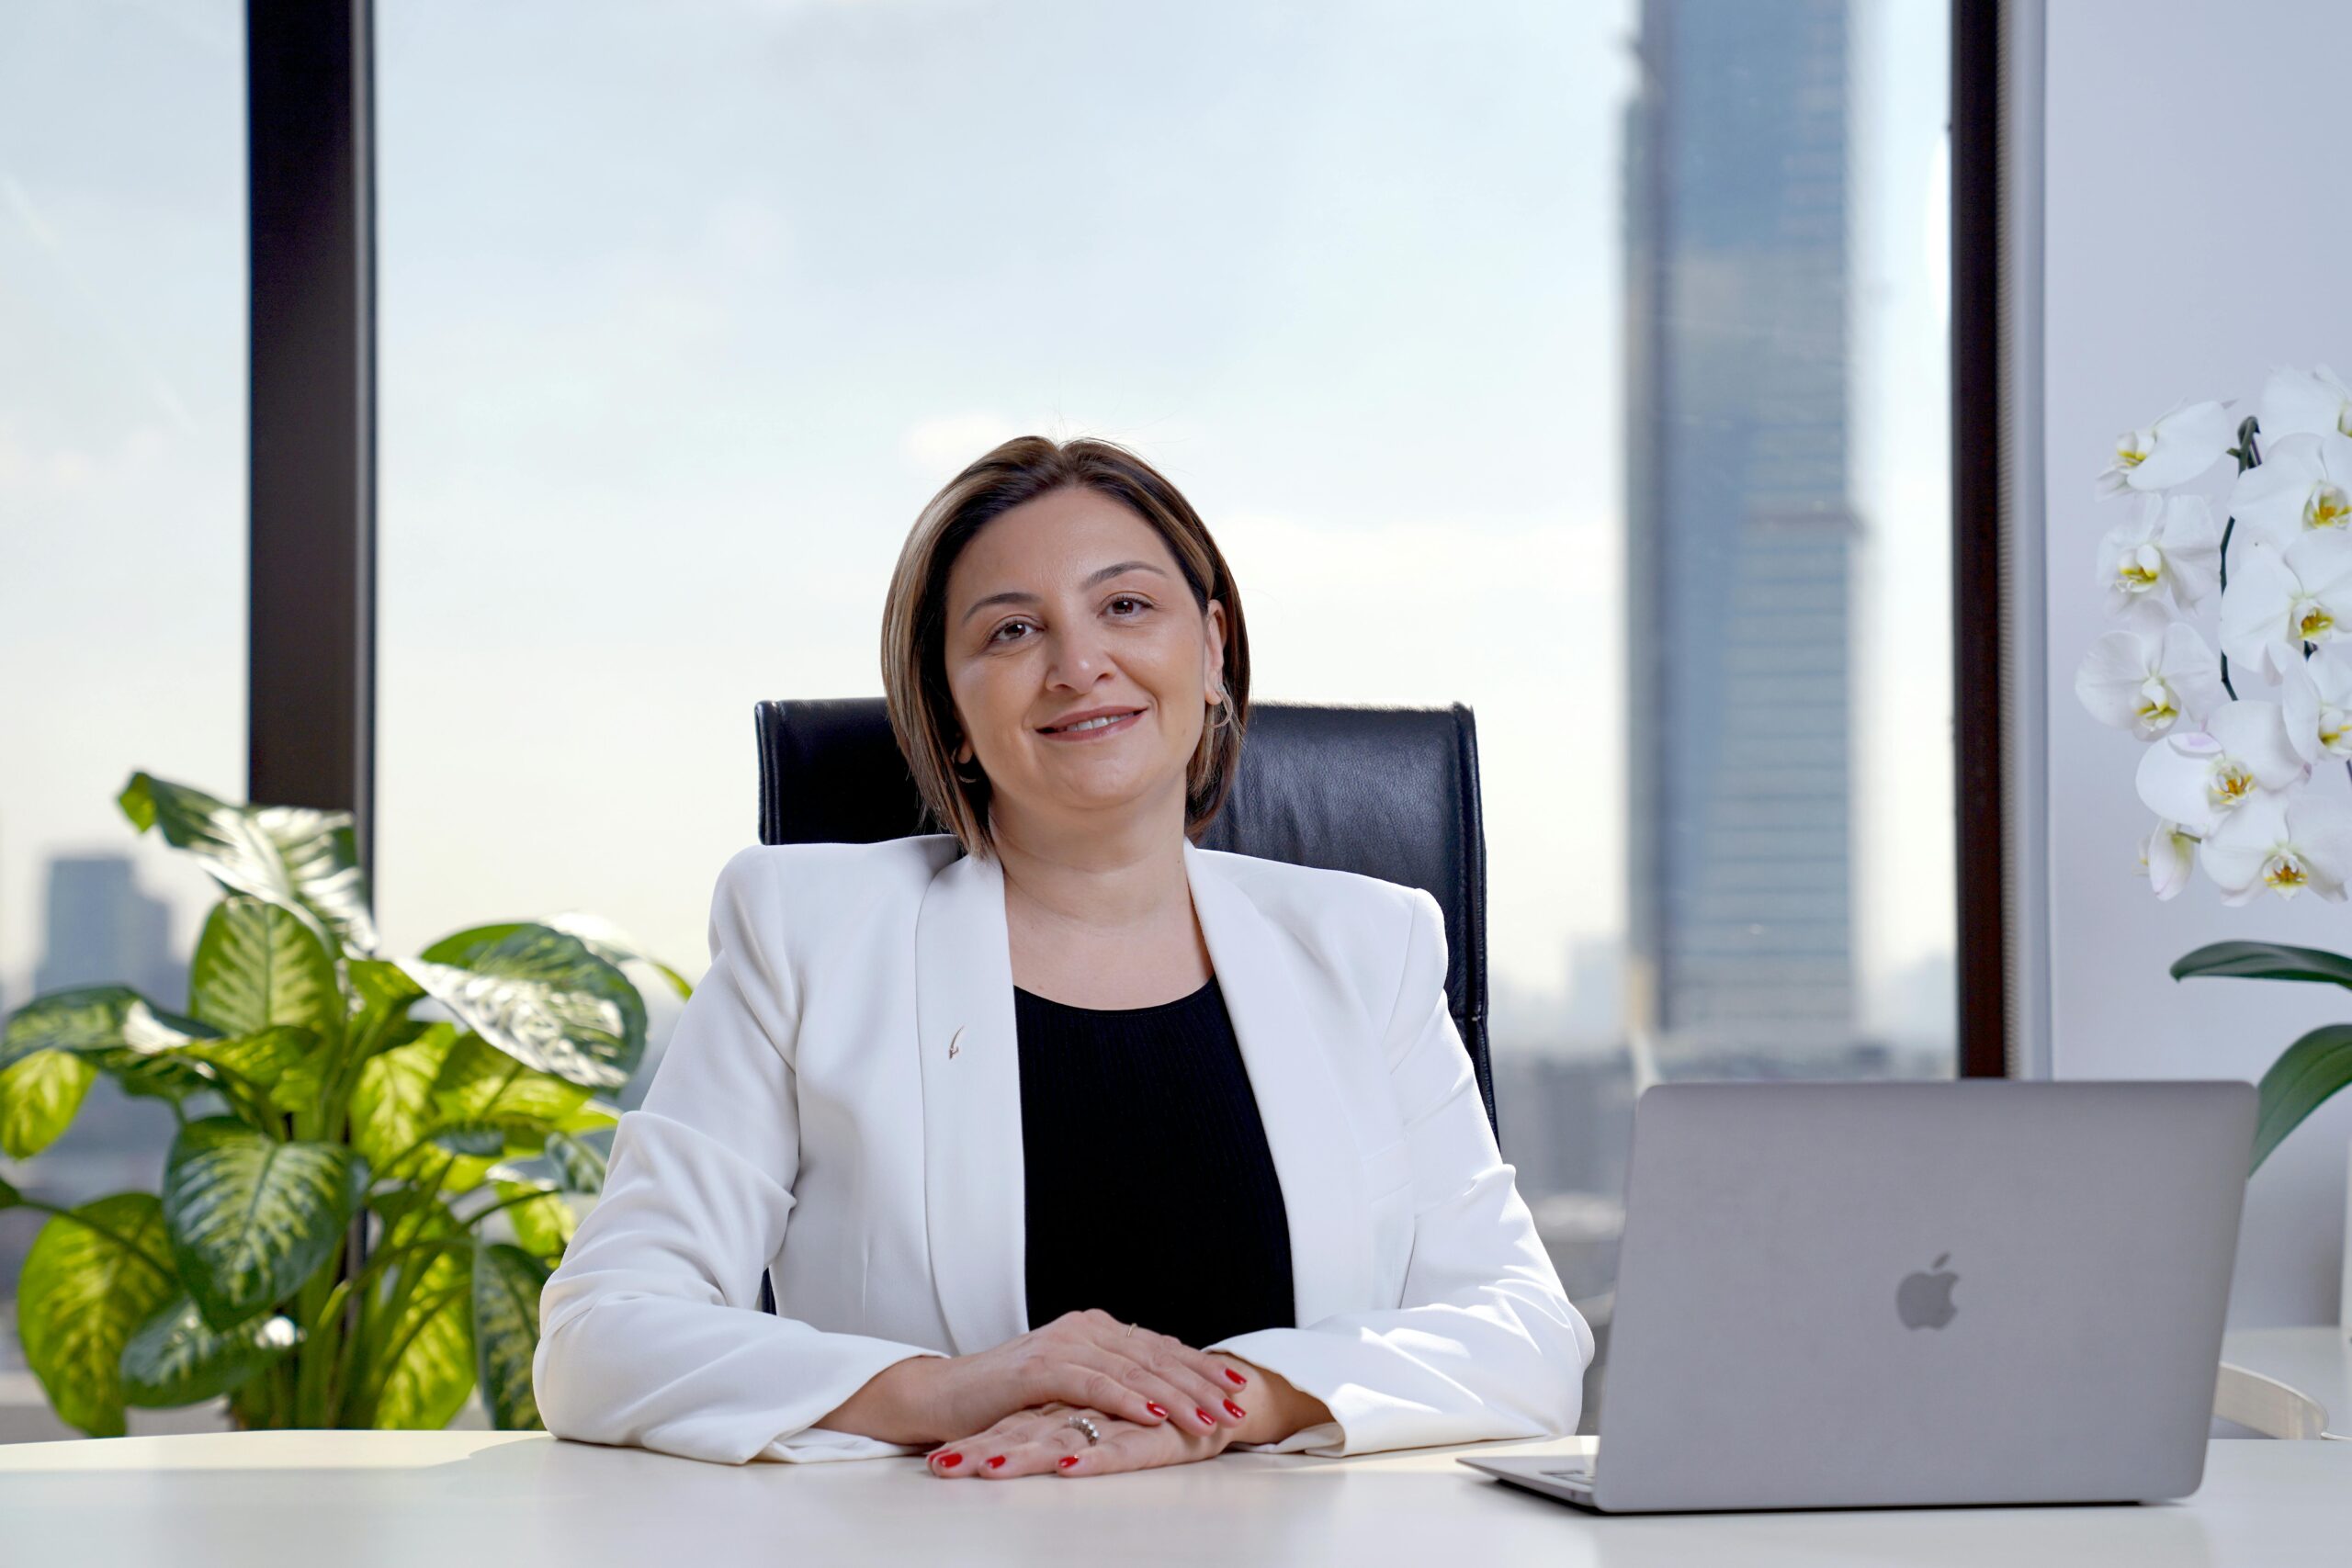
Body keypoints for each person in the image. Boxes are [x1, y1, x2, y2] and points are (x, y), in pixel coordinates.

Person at [532, 435, 1591, 1477]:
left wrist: (1222, 1404)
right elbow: (602, 1337)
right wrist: (944, 1391)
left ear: (1213, 649)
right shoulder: (806, 934)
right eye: (1010, 631)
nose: (1079, 664)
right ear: (946, 714)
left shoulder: (1370, 947)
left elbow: (1524, 1337)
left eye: (1125, 606)